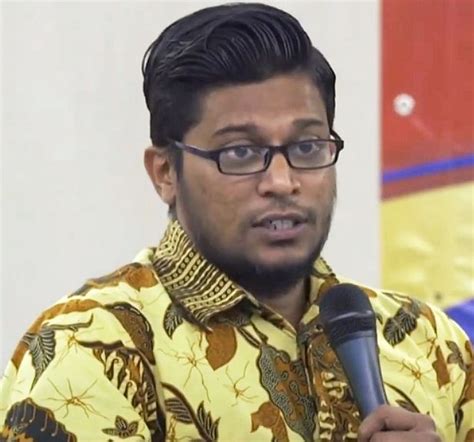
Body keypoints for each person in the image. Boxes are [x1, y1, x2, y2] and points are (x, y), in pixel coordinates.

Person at [0, 3, 472, 441]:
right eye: (241, 152)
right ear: (165, 173)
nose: (282, 181)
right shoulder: (92, 346)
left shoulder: (430, 343)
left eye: (307, 146)